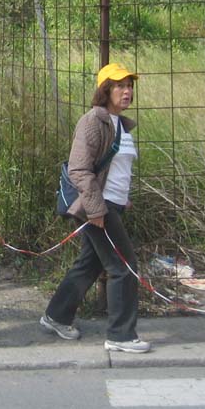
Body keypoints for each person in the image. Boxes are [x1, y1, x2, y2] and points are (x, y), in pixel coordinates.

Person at [42, 63, 150, 354]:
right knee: (124, 268)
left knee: (90, 263)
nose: (126, 91)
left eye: (129, 86)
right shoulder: (93, 121)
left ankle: (56, 315)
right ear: (105, 90)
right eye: (119, 86)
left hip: (112, 204)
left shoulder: (120, 123)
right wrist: (97, 210)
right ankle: (121, 335)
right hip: (98, 209)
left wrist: (121, 196)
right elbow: (79, 169)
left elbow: (115, 169)